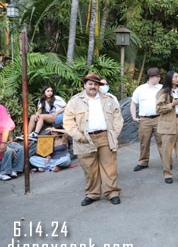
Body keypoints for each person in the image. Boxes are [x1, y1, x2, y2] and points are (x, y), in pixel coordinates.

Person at [63, 72, 124, 206]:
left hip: (105, 137)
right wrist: (79, 136)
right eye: (90, 84)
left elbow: (118, 118)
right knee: (89, 169)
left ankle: (112, 192)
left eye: (96, 84)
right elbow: (67, 121)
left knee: (110, 167)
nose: (93, 87)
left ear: (99, 86)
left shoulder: (108, 99)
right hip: (85, 139)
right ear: (84, 85)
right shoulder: (75, 101)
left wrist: (114, 135)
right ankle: (92, 194)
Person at [156, 70, 178, 184]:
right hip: (168, 123)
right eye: (175, 77)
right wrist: (172, 104)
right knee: (167, 150)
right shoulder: (163, 92)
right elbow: (158, 108)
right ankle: (167, 174)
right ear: (170, 78)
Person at [131, 67, 162, 171]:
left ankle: (166, 161)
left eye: (159, 76)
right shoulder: (140, 89)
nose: (159, 78)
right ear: (151, 77)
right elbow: (133, 103)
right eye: (157, 76)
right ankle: (143, 162)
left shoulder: (162, 88)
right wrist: (134, 117)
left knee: (162, 141)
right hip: (145, 120)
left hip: (159, 118)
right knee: (144, 142)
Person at [1, 104, 23, 181]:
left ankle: (15, 169)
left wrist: (10, 140)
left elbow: (7, 127)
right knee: (8, 151)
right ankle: (4, 172)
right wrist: (5, 145)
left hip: (3, 141)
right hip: (2, 143)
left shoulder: (2, 109)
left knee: (20, 148)